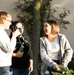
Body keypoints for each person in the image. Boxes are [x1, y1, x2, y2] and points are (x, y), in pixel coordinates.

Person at [0, 11, 21, 75]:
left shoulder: (2, 32)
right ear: (3, 21)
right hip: (3, 65)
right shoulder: (1, 33)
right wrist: (14, 36)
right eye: (10, 21)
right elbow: (9, 48)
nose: (10, 23)